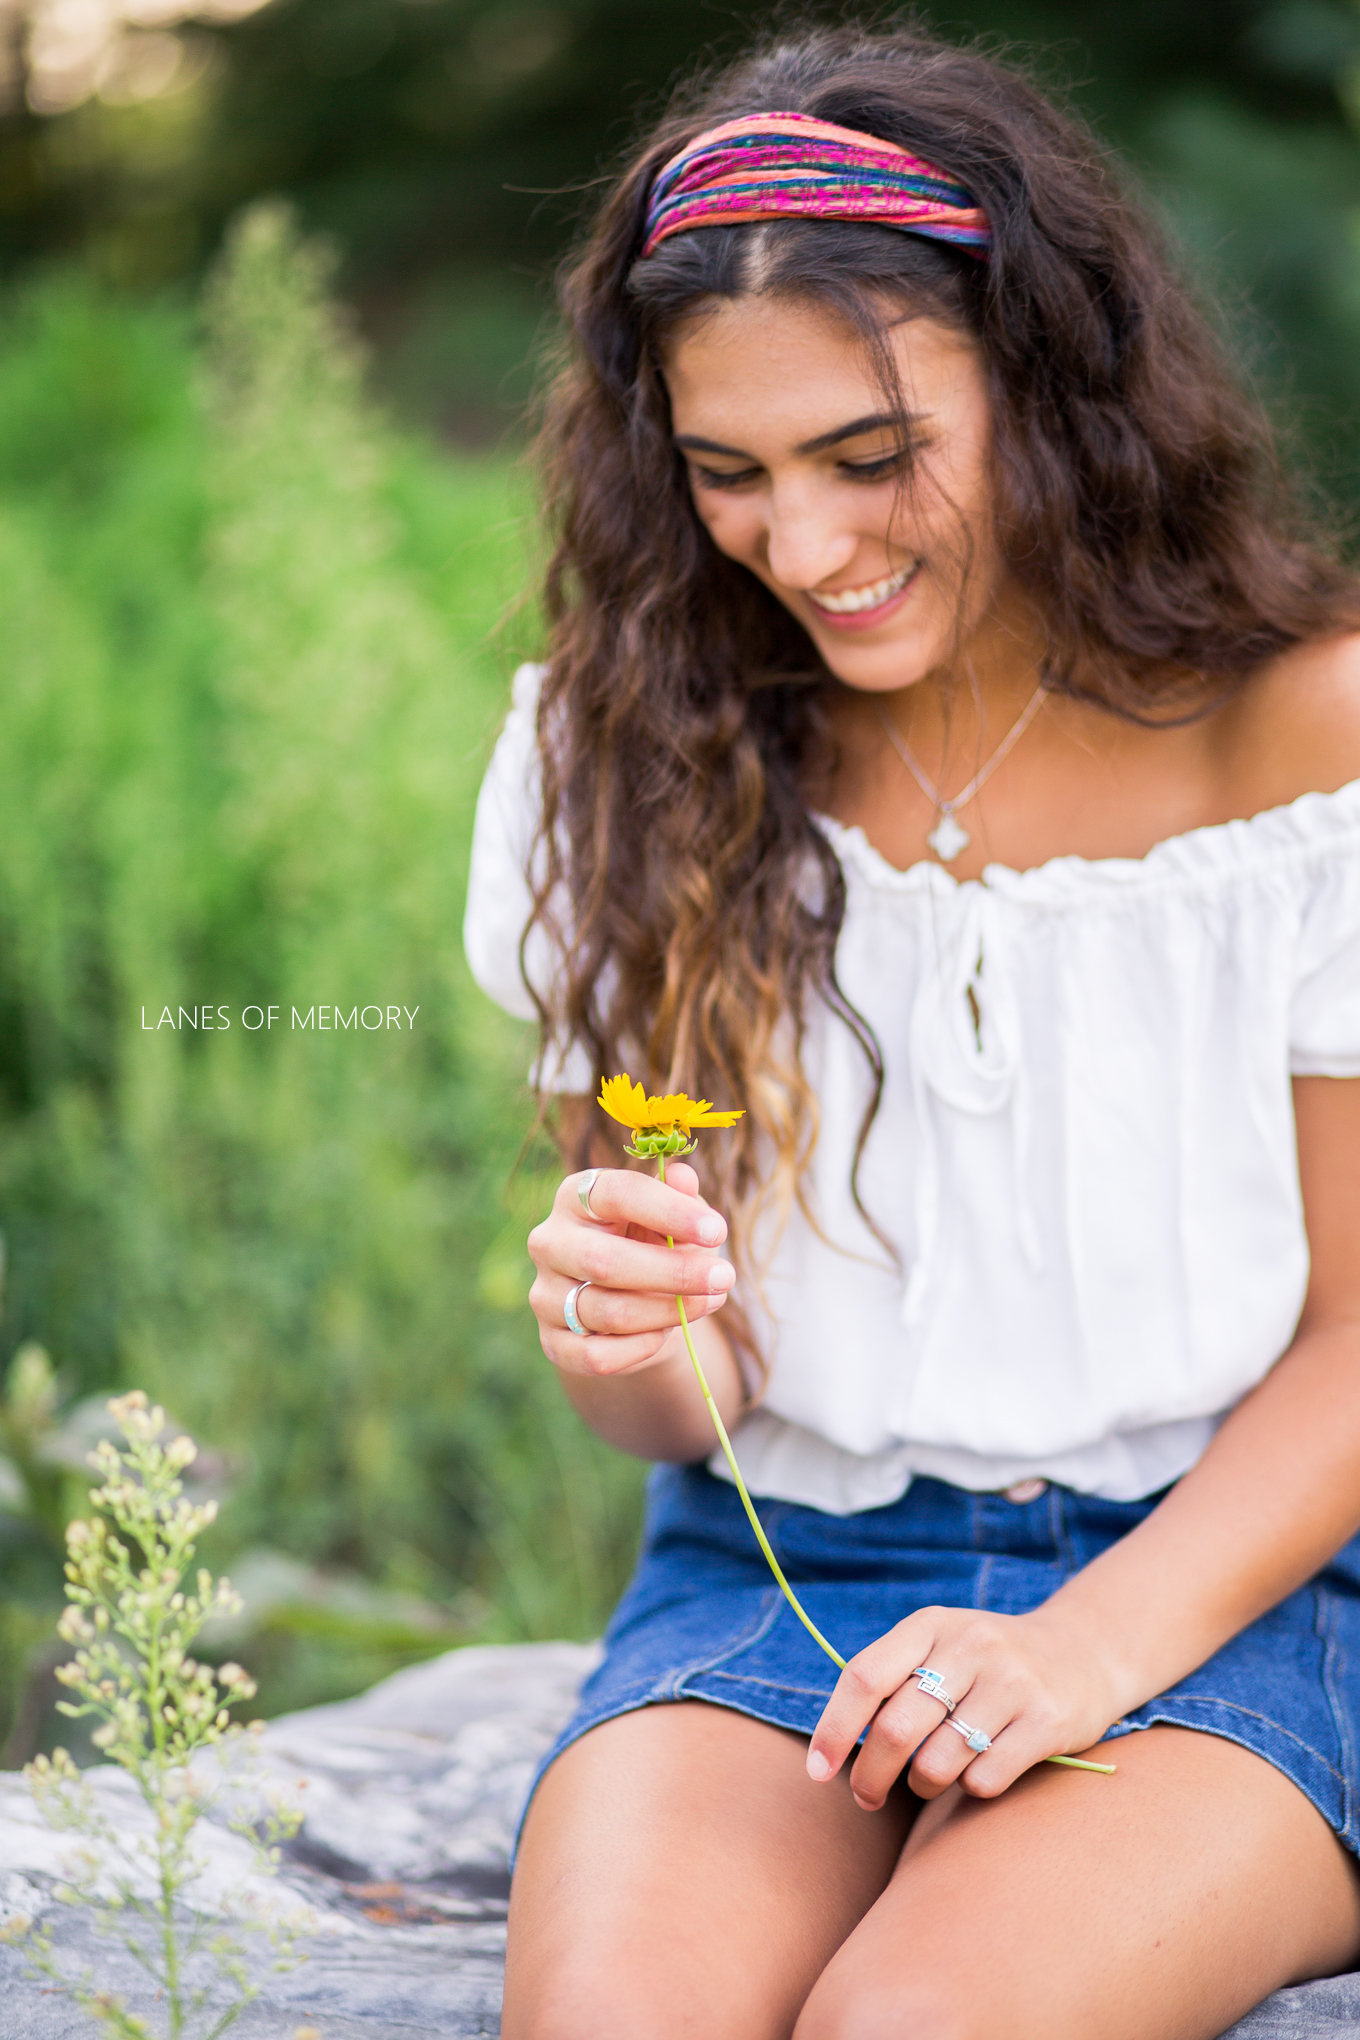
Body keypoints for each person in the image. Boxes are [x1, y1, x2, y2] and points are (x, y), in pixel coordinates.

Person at [462, 23, 1360, 2039]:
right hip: (775, 1575)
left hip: (1227, 1589)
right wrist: (623, 1336)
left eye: (870, 459)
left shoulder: (1306, 740)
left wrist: (1080, 1651)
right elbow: (674, 1402)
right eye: (727, 475)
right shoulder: (619, 754)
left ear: (1051, 385)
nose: (804, 548)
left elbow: (1357, 1340)